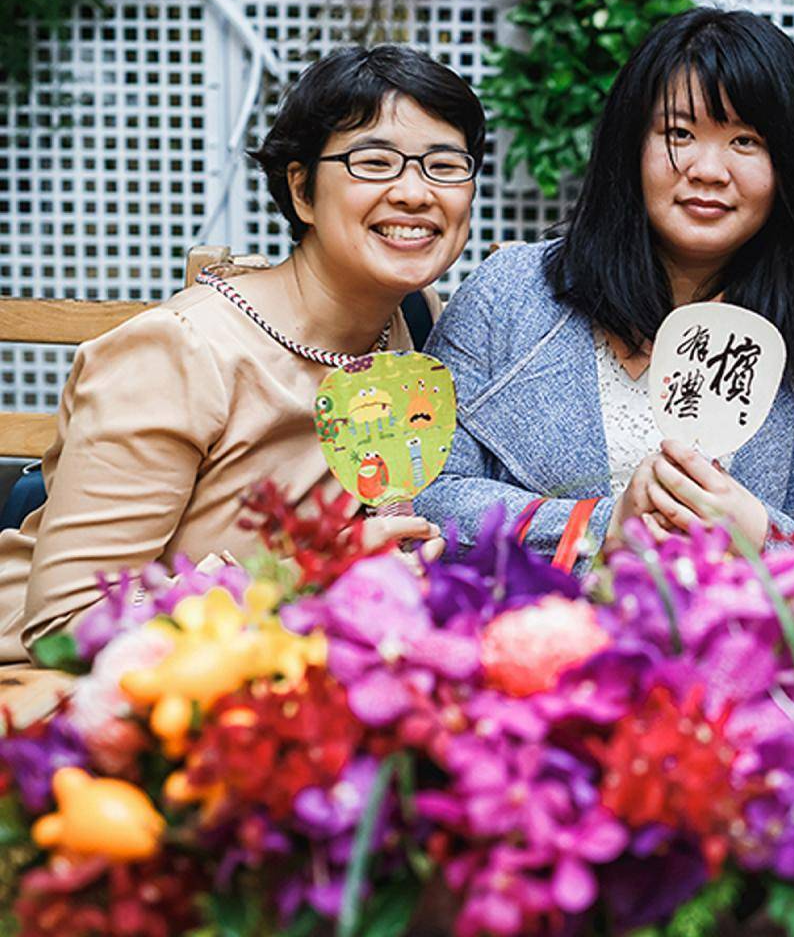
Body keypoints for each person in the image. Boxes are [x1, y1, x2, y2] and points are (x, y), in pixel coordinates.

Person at [0, 45, 481, 664]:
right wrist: (307, 579)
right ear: (302, 191)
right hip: (63, 699)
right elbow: (66, 628)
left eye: (445, 165)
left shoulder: (413, 318)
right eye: (374, 162)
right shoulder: (178, 352)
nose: (415, 193)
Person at [417, 7, 794, 567]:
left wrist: (757, 534)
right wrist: (599, 527)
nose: (708, 169)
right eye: (679, 133)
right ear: (630, 146)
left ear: (791, 167)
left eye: (745, 141)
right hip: (528, 642)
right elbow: (425, 497)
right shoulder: (508, 296)